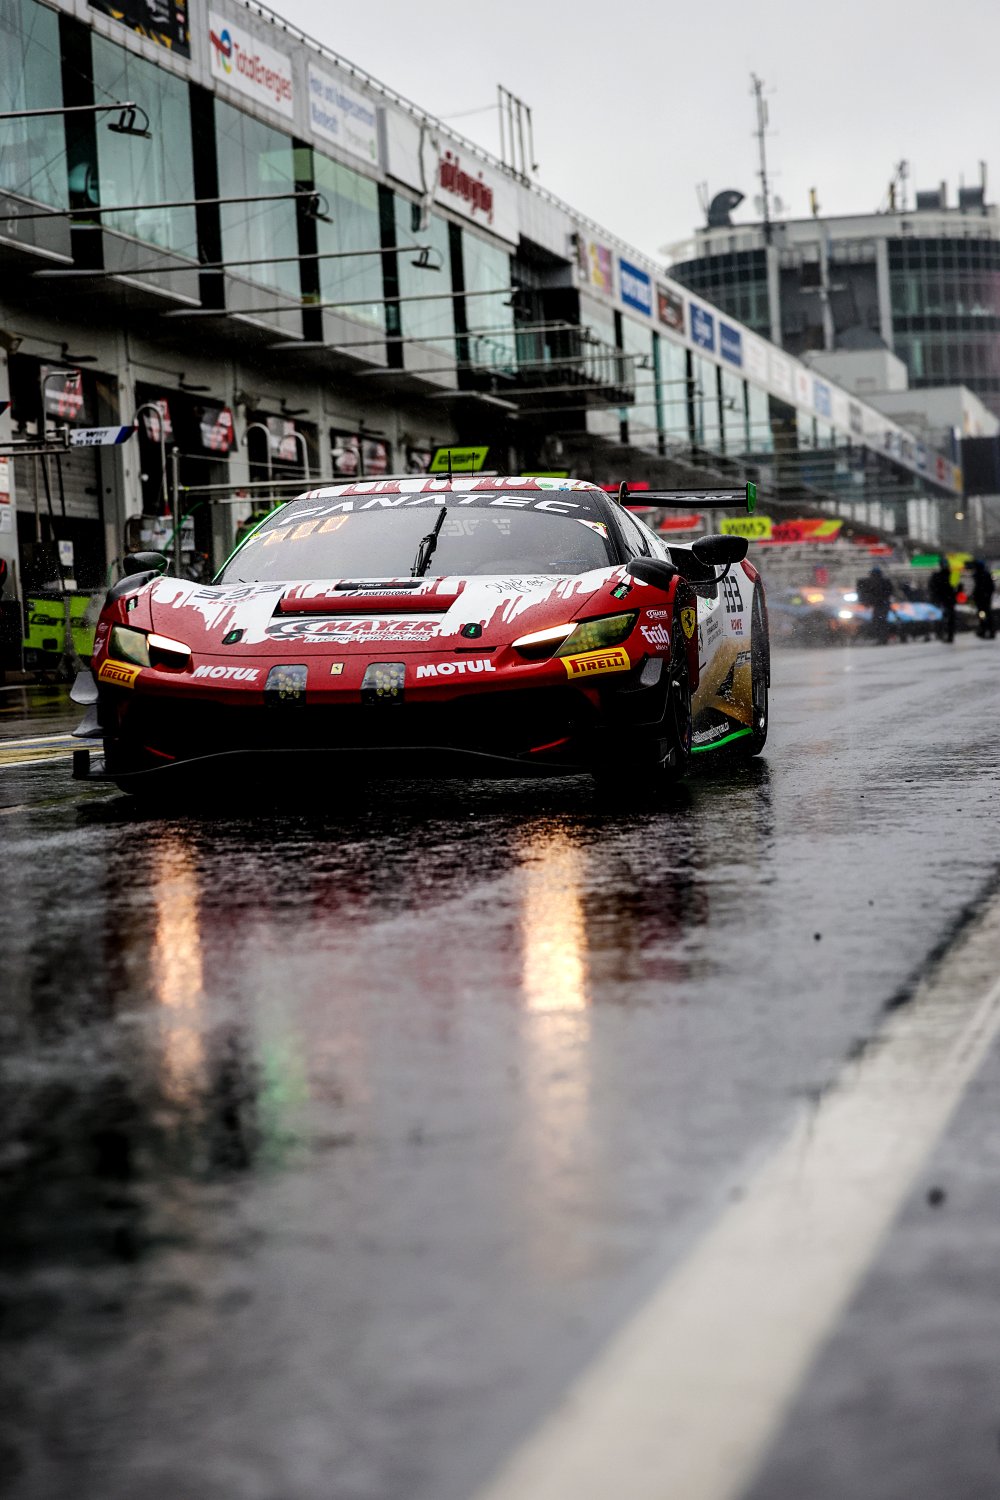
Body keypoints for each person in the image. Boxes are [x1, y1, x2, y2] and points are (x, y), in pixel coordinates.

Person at [928, 556, 956, 643]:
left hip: (943, 600)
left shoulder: (938, 576)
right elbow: (955, 588)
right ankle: (948, 634)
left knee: (944, 617)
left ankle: (945, 634)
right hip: (948, 600)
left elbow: (933, 588)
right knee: (948, 618)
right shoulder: (950, 575)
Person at [865, 565, 894, 645]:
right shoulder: (885, 581)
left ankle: (880, 638)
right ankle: (883, 638)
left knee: (878, 621)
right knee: (882, 621)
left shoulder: (872, 582)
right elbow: (890, 592)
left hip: (878, 604)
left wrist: (870, 601)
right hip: (883, 604)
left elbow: (869, 593)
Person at [970, 559, 995, 639]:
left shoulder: (979, 575)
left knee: (983, 615)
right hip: (984, 599)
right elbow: (991, 587)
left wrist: (976, 596)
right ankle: (989, 630)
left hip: (981, 599)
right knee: (986, 615)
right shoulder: (985, 575)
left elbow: (978, 588)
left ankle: (984, 630)